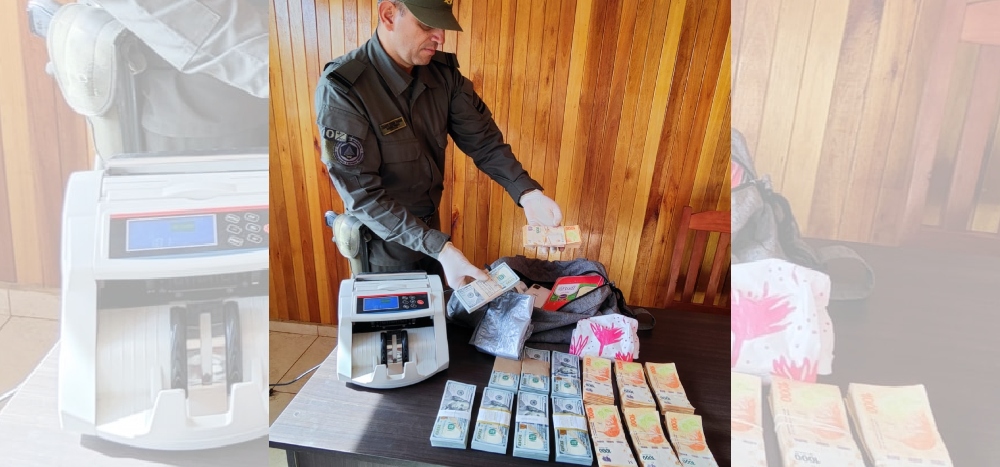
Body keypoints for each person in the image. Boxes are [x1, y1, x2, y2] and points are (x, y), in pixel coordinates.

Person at [315, 0, 564, 289]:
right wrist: (439, 247)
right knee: (410, 317)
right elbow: (363, 196)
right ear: (389, 15)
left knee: (441, 310)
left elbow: (484, 142)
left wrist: (527, 192)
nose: (441, 37)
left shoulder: (443, 75)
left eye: (442, 26)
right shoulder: (344, 89)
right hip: (385, 250)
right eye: (426, 25)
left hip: (435, 237)